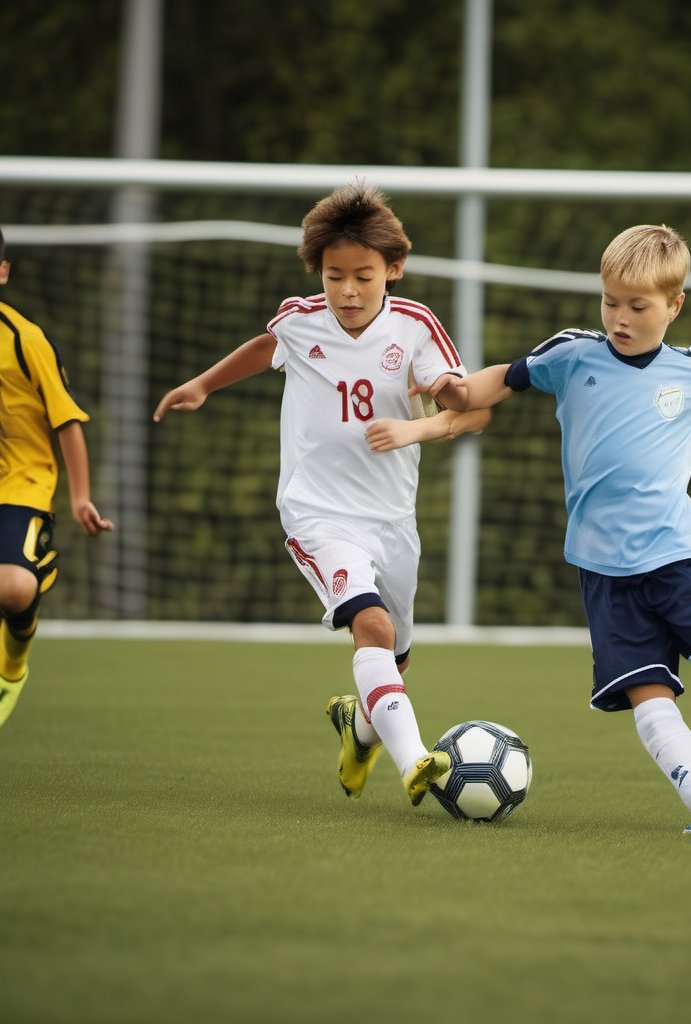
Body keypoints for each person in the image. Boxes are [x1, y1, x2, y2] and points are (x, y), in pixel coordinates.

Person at [407, 222, 691, 836]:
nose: (620, 318)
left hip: (679, 556)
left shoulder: (690, 372)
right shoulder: (572, 354)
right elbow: (505, 378)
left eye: (637, 306)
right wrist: (458, 389)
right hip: (603, 569)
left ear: (674, 305)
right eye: (610, 302)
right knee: (648, 695)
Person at [153, 182, 489, 807]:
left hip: (392, 518)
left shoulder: (415, 327)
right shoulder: (300, 321)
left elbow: (467, 411)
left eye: (363, 275)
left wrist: (428, 414)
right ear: (319, 272)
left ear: (393, 269)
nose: (349, 290)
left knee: (394, 652)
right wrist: (202, 384)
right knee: (371, 624)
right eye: (335, 275)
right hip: (316, 512)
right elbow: (265, 347)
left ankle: (359, 730)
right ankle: (417, 760)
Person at [0, 226, 114, 727]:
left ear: (3, 272)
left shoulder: (26, 340)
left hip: (21, 482)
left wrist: (81, 497)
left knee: (15, 589)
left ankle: (11, 669)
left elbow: (65, 420)